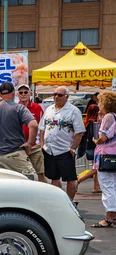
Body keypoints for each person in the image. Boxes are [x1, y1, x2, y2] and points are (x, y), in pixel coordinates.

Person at [40, 86, 86, 201]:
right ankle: (58, 201)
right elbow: (42, 128)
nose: (56, 97)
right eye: (54, 94)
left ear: (67, 97)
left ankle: (70, 201)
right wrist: (42, 145)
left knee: (70, 178)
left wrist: (73, 148)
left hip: (65, 150)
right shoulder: (49, 109)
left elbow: (79, 132)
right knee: (54, 177)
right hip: (49, 149)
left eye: (60, 95)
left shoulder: (73, 111)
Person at [90, 92, 116, 227]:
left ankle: (109, 217)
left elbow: (104, 137)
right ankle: (113, 216)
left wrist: (96, 140)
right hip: (114, 155)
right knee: (113, 186)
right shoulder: (113, 116)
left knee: (107, 187)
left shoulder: (109, 117)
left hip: (106, 155)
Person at [17, 84, 46, 182]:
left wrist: (42, 144)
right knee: (21, 174)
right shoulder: (15, 108)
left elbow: (42, 127)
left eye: (26, 92)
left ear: (30, 94)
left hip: (34, 146)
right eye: (21, 92)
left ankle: (45, 194)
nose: (23, 94)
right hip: (19, 147)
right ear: (17, 94)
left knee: (40, 172)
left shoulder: (37, 107)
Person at [77, 104, 101, 193]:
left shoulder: (87, 122)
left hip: (91, 147)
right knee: (96, 168)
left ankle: (96, 187)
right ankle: (79, 180)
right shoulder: (94, 122)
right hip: (96, 147)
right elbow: (95, 136)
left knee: (95, 167)